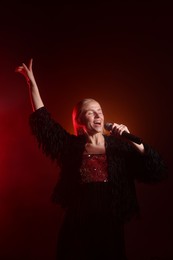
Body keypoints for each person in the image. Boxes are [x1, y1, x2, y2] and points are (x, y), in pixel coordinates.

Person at [15, 58, 167, 260]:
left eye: (100, 111)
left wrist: (133, 141)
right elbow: (44, 123)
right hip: (77, 226)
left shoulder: (120, 147)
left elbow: (157, 170)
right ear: (78, 120)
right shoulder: (70, 147)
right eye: (91, 111)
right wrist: (31, 82)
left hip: (110, 226)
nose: (98, 115)